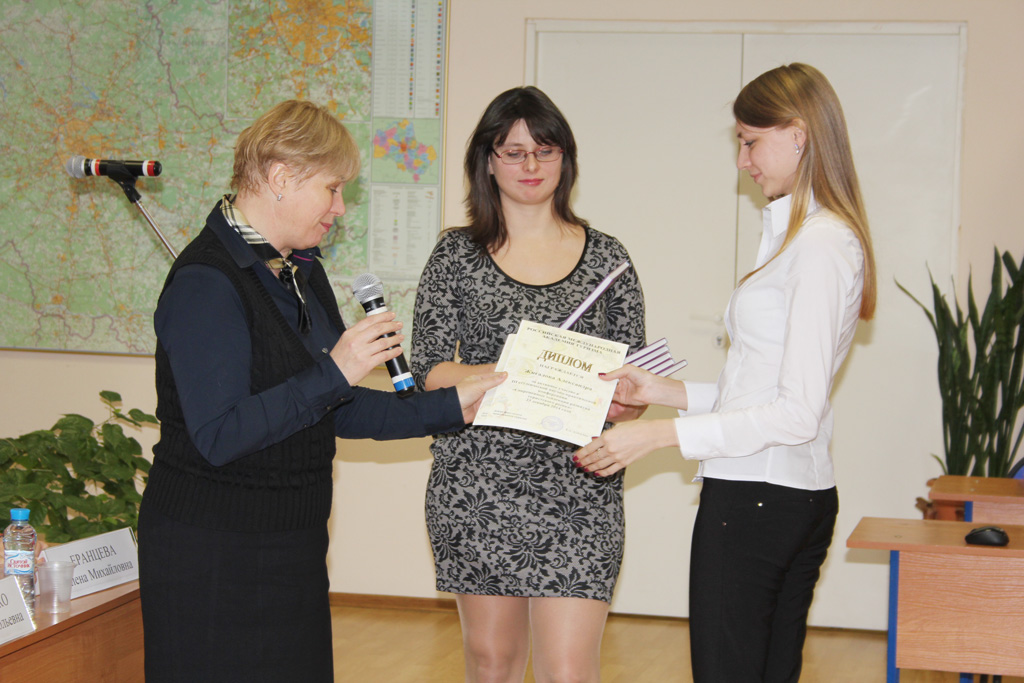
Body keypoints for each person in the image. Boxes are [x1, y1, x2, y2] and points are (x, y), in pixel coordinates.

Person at [138, 99, 504, 683]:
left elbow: (335, 406)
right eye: (332, 189)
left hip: (293, 545)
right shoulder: (206, 281)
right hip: (212, 557)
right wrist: (336, 370)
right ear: (281, 177)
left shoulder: (298, 270)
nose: (339, 208)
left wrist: (454, 406)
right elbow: (221, 434)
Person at [574, 63, 877, 683]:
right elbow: (763, 391)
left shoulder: (819, 244)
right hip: (787, 495)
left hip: (758, 498)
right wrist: (662, 392)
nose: (743, 162)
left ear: (798, 135)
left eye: (750, 141)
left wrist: (655, 436)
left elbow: (795, 413)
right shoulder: (803, 236)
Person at [409, 86, 646, 683]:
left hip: (581, 482)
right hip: (478, 482)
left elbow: (634, 385)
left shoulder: (609, 259)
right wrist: (516, 373)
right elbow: (430, 368)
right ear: (488, 161)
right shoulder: (455, 254)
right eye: (514, 152)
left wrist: (624, 399)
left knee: (568, 669)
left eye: (546, 150)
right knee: (493, 662)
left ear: (566, 158)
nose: (531, 165)